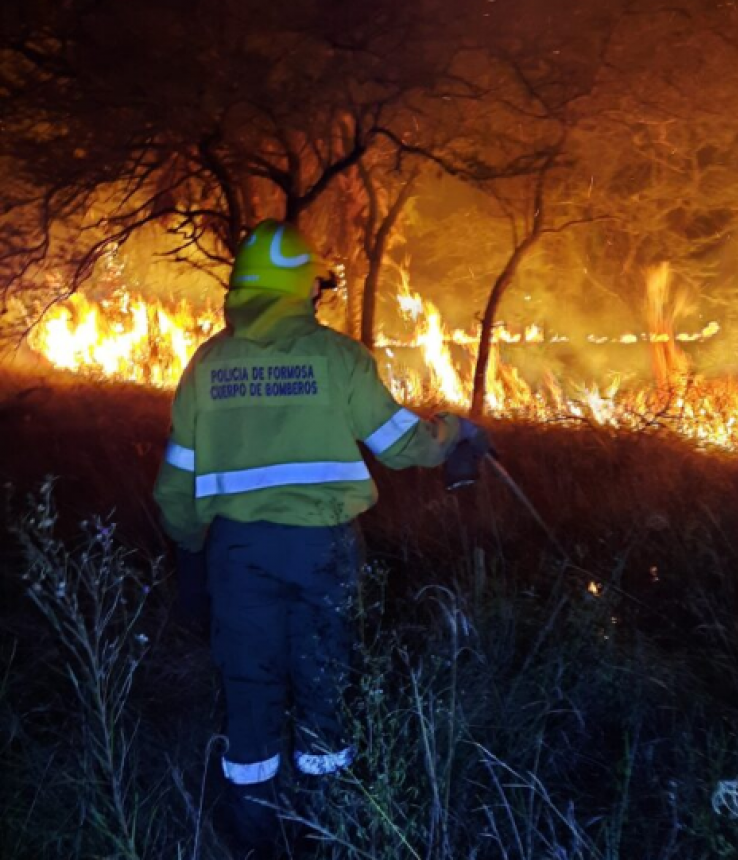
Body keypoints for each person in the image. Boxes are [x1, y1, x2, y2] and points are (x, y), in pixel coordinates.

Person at [153, 220, 489, 853]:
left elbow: (176, 482)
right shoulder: (338, 358)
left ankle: (252, 834)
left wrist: (191, 550)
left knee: (249, 689)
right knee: (323, 682)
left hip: (237, 553)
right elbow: (401, 445)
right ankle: (327, 827)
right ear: (301, 288)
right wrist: (453, 433)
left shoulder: (209, 363)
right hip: (322, 552)